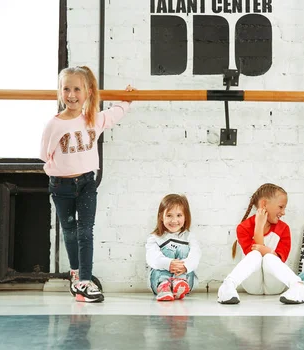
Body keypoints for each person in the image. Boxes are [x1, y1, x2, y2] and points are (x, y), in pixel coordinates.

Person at [40, 65, 134, 303]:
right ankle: (76, 273)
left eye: (77, 89)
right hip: (61, 186)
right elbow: (44, 155)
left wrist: (127, 99)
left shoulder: (94, 119)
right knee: (70, 231)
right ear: (60, 92)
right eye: (66, 89)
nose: (71, 95)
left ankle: (85, 279)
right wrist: (60, 171)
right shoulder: (55, 125)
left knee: (86, 232)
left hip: (86, 184)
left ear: (88, 92)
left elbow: (115, 114)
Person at [217, 183, 304, 305]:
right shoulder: (243, 228)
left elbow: (278, 260)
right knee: (256, 255)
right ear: (264, 205)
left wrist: (269, 252)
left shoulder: (284, 229)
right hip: (252, 286)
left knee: (269, 258)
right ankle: (228, 286)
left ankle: (298, 286)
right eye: (281, 207)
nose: (283, 212)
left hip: (276, 285)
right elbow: (255, 258)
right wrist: (259, 227)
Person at [145, 194, 201, 301]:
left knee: (183, 249)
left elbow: (196, 255)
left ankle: (179, 283)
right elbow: (152, 258)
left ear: (185, 217)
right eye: (169, 215)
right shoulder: (155, 238)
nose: (174, 220)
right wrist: (169, 263)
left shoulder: (189, 237)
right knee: (167, 251)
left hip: (185, 279)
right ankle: (164, 287)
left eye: (179, 215)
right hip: (159, 280)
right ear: (161, 217)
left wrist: (185, 266)